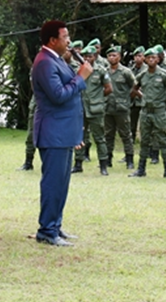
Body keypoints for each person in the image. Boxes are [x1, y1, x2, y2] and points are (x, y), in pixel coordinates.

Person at [32, 20, 92, 246]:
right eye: (65, 37)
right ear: (52, 40)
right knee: (53, 183)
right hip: (52, 132)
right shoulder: (44, 63)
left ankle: (55, 225)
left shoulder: (56, 60)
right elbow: (58, 95)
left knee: (62, 183)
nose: (69, 41)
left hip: (64, 132)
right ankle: (46, 230)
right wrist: (81, 77)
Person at [130, 47, 166, 179]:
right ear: (145, 60)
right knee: (144, 140)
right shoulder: (142, 75)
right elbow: (134, 88)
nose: (151, 60)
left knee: (162, 140)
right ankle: (141, 169)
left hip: (159, 112)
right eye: (149, 58)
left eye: (154, 58)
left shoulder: (163, 74)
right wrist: (143, 96)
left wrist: (163, 99)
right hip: (145, 111)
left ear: (158, 59)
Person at [73, 45, 111, 175]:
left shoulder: (100, 70)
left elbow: (108, 88)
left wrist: (98, 98)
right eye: (85, 56)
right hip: (81, 109)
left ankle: (103, 166)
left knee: (99, 138)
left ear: (95, 57)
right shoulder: (79, 70)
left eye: (90, 56)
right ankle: (78, 164)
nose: (87, 58)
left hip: (96, 109)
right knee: (79, 137)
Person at [104, 46, 136, 170]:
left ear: (120, 57)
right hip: (108, 107)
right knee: (108, 135)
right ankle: (108, 159)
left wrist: (128, 100)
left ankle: (129, 159)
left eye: (114, 55)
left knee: (126, 134)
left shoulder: (126, 72)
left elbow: (134, 87)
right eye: (110, 56)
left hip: (122, 108)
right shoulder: (104, 71)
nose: (112, 58)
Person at [129, 46, 146, 144]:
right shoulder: (130, 70)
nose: (138, 58)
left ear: (144, 57)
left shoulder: (148, 70)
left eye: (140, 56)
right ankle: (130, 147)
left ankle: (147, 149)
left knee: (145, 127)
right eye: (136, 56)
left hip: (144, 101)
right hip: (132, 102)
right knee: (131, 126)